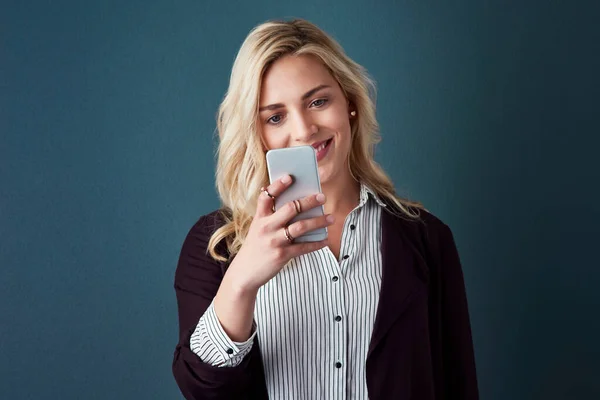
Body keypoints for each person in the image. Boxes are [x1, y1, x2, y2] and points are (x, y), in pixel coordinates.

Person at [172, 18, 479, 400]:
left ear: (349, 103)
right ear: (258, 132)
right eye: (275, 116)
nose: (303, 130)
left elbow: (457, 381)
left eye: (318, 101)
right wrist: (241, 280)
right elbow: (201, 388)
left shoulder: (427, 239)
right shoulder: (215, 246)